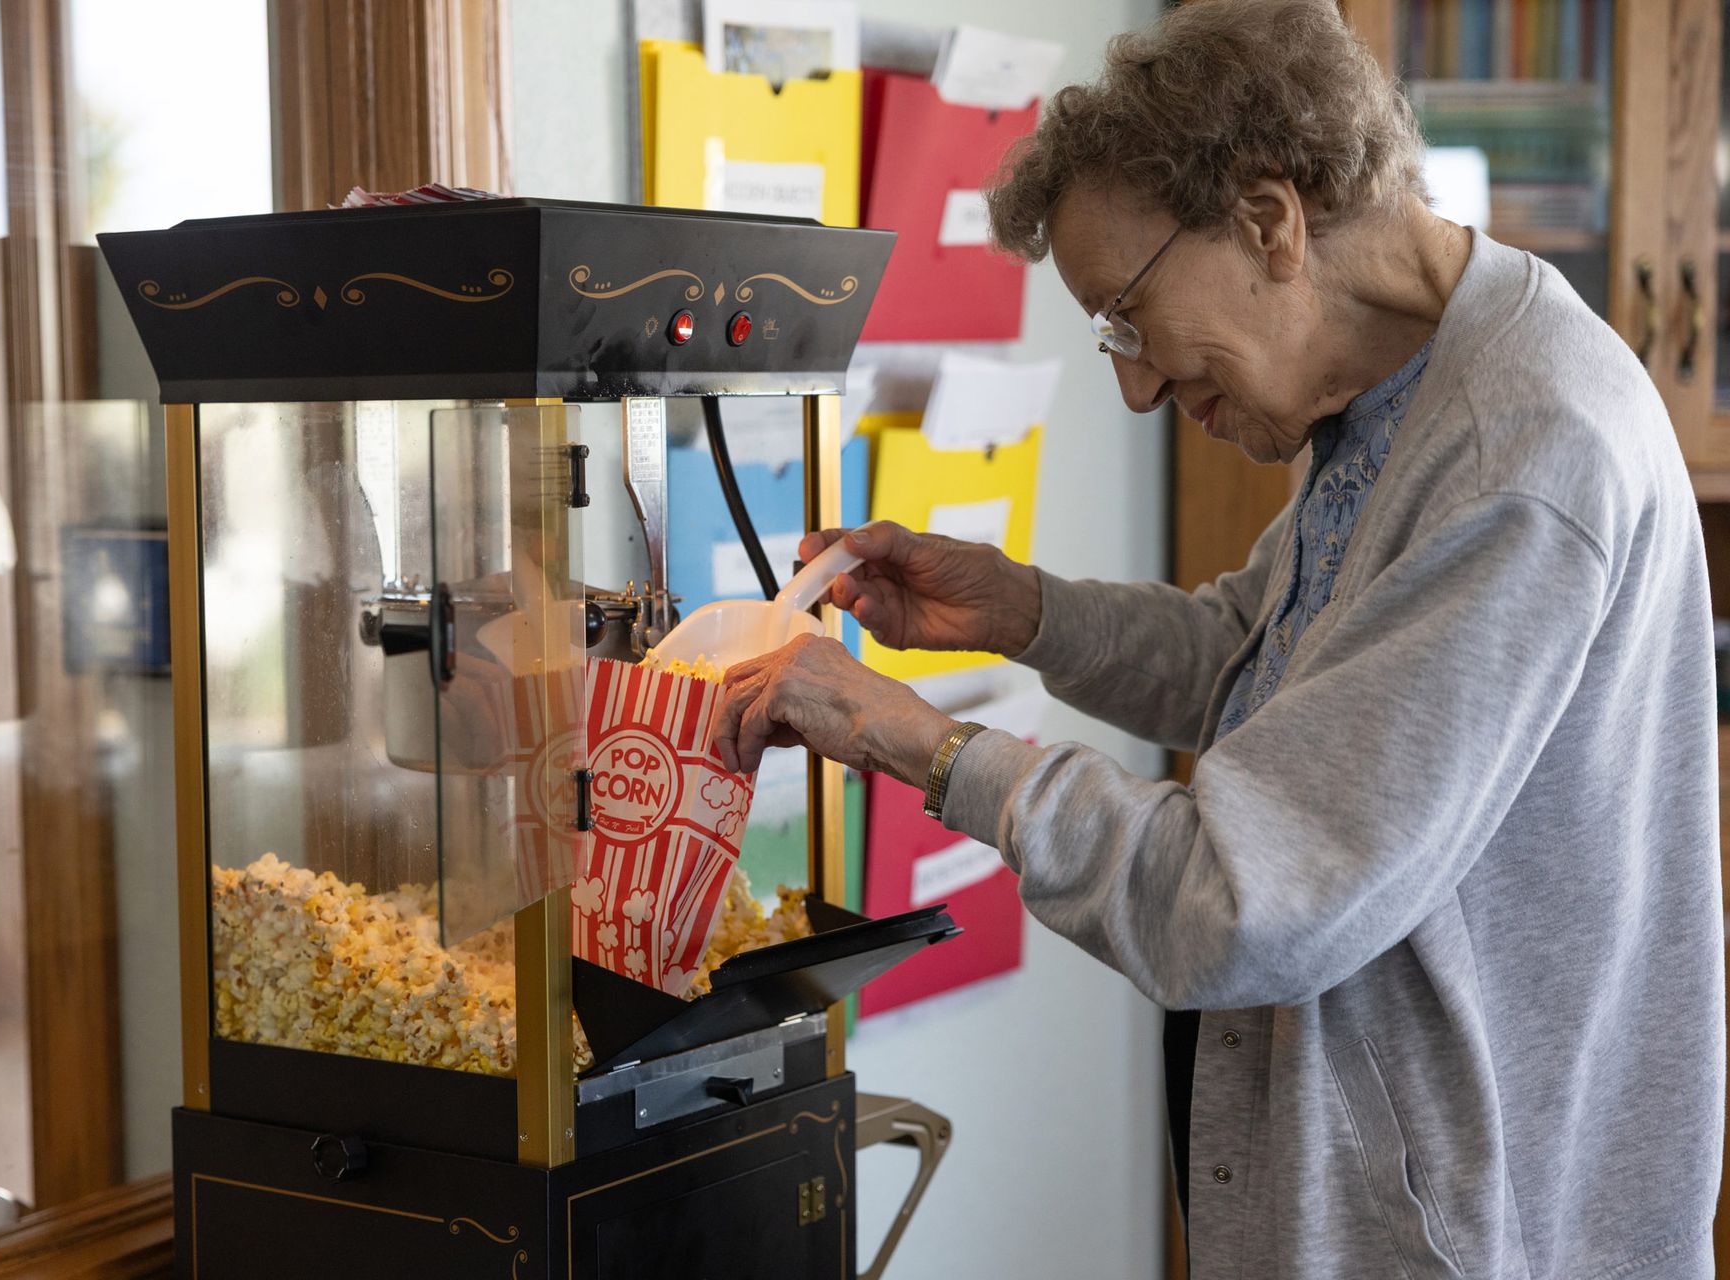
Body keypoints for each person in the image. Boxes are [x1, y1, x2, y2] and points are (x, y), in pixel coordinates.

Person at [710, 1, 1725, 1274]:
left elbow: (1245, 899)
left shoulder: (1520, 458)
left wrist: (913, 739)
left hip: (1474, 1234)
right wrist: (1016, 606)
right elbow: (1257, 655)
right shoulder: (1397, 392)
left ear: (1267, 220)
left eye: (1128, 316)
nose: (1134, 384)